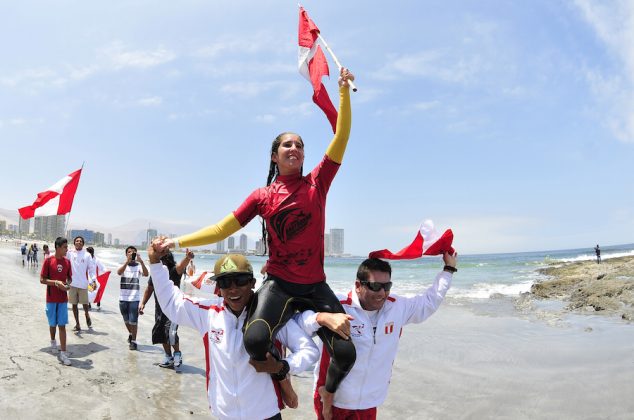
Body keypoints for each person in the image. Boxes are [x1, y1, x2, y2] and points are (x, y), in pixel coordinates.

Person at [156, 68, 356, 417]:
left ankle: (325, 391)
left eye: (299, 145)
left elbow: (341, 137)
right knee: (255, 341)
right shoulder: (263, 196)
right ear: (274, 156)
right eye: (287, 144)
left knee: (346, 354)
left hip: (314, 283)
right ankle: (281, 378)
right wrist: (174, 241)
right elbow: (221, 229)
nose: (295, 148)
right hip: (279, 283)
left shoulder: (317, 183)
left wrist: (343, 92)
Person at [148, 242, 319, 419]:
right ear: (218, 288)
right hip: (224, 414)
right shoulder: (208, 313)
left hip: (265, 414)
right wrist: (154, 262)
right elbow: (170, 302)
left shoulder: (270, 315)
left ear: (252, 283)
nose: (233, 289)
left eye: (240, 280)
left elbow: (309, 350)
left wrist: (282, 367)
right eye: (225, 282)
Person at [298, 253, 456, 419]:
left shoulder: (397, 307)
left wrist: (448, 270)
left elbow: (429, 302)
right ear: (358, 285)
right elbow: (298, 321)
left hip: (370, 401)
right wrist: (322, 318)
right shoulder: (336, 304)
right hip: (332, 400)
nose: (382, 293)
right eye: (375, 286)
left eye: (387, 286)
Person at [139, 249, 194, 368]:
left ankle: (177, 354)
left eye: (160, 258)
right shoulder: (156, 273)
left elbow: (180, 266)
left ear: (166, 259)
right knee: (160, 331)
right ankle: (168, 357)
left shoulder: (174, 270)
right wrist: (143, 303)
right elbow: (149, 289)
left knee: (171, 331)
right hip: (160, 308)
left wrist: (187, 258)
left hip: (174, 308)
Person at [40, 237, 73, 366]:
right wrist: (56, 283)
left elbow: (69, 278)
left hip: (63, 299)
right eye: (65, 247)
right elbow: (42, 280)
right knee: (52, 323)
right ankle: (53, 341)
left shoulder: (67, 262)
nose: (67, 249)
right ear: (58, 247)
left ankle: (63, 353)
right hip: (51, 298)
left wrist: (67, 284)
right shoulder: (49, 261)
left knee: (62, 325)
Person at [116, 246, 148, 350]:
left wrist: (142, 262)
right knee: (126, 320)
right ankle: (131, 333)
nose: (131, 254)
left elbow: (146, 274)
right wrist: (127, 262)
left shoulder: (138, 266)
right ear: (126, 254)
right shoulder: (124, 265)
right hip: (123, 297)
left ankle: (134, 341)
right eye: (129, 252)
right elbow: (119, 272)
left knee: (133, 320)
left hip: (134, 298)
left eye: (133, 252)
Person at [66, 236, 96, 332]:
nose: (78, 242)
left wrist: (93, 279)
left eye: (80, 241)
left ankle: (87, 314)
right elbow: (64, 261)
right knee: (74, 304)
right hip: (72, 283)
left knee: (85, 303)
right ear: (74, 243)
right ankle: (77, 324)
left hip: (83, 284)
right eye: (77, 241)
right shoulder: (70, 253)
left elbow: (91, 269)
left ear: (83, 244)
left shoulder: (87, 255)